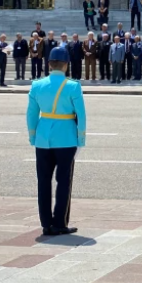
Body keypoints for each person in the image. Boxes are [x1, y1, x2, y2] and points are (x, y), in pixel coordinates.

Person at [27, 46, 86, 237]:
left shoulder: (37, 85)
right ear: (66, 65)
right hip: (66, 137)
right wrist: (81, 138)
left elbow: (31, 114)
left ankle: (45, 223)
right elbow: (81, 115)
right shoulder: (73, 86)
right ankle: (59, 222)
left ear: (49, 64)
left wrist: (33, 135)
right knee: (63, 181)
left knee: (43, 181)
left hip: (43, 137)